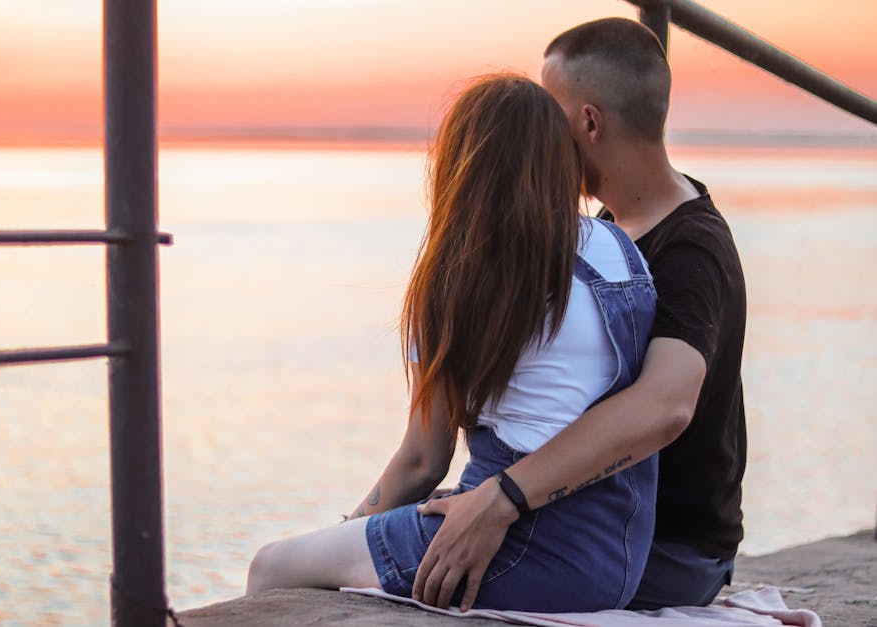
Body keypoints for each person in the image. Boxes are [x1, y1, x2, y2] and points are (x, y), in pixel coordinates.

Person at [245, 73, 659, 613]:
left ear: (461, 166)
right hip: (616, 554)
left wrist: (344, 537)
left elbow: (423, 461)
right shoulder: (621, 251)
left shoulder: (461, 280)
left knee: (271, 568)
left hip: (509, 544)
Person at [411, 17, 747, 612]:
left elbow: (664, 406)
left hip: (657, 550)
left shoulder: (690, 250)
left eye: (550, 111)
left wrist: (503, 497)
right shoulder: (607, 239)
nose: (539, 132)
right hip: (576, 516)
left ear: (588, 122)